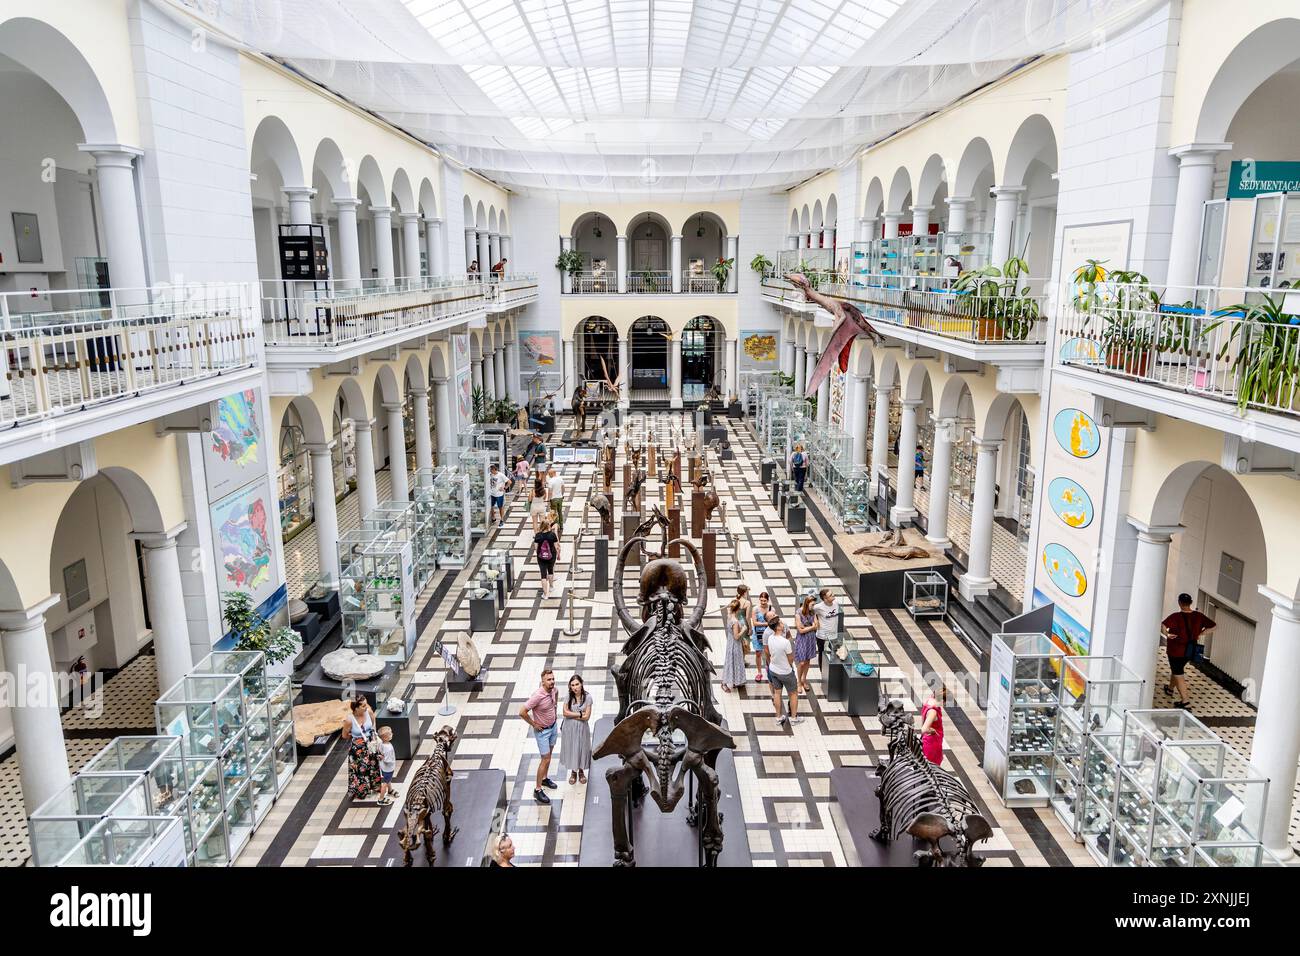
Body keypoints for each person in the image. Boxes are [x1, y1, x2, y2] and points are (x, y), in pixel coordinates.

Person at [1161, 593, 1216, 709]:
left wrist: (1167, 634)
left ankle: (1185, 702)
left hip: (1175, 651)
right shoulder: (1199, 616)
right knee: (1177, 670)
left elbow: (1163, 625)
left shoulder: (1175, 616)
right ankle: (1170, 689)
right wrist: (1201, 633)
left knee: (1178, 674)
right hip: (1190, 650)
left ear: (1179, 603)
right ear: (1191, 603)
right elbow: (1213, 626)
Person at [519, 669, 560, 804]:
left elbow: (555, 702)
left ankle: (545, 779)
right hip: (543, 732)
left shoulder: (554, 690)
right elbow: (522, 711)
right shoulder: (537, 695)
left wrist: (555, 714)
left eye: (553, 679)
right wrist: (534, 724)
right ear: (543, 682)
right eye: (549, 680)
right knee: (545, 759)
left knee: (549, 756)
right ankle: (537, 790)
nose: (552, 681)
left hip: (553, 727)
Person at [341, 696, 382, 800]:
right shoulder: (349, 720)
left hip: (370, 746)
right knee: (359, 770)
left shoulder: (369, 712)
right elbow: (344, 735)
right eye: (363, 705)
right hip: (358, 750)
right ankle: (361, 791)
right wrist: (357, 738)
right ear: (356, 708)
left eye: (366, 704)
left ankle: (375, 786)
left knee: (373, 766)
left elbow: (372, 725)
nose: (366, 707)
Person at [765, 619, 801, 725]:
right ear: (778, 627)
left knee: (777, 693)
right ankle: (794, 718)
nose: (783, 624)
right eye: (781, 623)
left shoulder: (770, 638)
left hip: (773, 669)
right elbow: (790, 659)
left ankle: (779, 716)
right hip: (785, 672)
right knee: (793, 693)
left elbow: (769, 652)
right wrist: (790, 666)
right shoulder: (785, 642)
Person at [561, 674, 592, 785]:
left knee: (581, 748)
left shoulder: (588, 697)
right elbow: (564, 712)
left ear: (581, 684)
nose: (575, 687)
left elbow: (587, 717)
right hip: (569, 729)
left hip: (582, 729)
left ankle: (581, 771)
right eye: (572, 685)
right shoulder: (568, 696)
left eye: (577, 684)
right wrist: (579, 713)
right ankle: (573, 772)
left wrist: (571, 714)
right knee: (573, 748)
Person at [722, 596, 749, 692]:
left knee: (730, 661)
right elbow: (736, 636)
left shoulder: (729, 616)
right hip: (735, 644)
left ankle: (734, 681)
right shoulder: (735, 622)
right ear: (738, 609)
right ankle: (725, 682)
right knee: (735, 662)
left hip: (730, 643)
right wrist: (744, 630)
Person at [793, 594, 819, 694]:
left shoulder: (813, 612)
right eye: (812, 604)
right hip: (802, 640)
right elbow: (800, 630)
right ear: (807, 603)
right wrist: (811, 627)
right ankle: (798, 681)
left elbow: (817, 626)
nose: (813, 606)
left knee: (807, 660)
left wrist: (809, 627)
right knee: (801, 662)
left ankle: (804, 679)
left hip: (811, 639)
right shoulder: (798, 613)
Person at [750, 591, 775, 683]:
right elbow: (754, 622)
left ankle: (770, 670)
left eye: (764, 601)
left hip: (768, 634)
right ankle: (759, 672)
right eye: (761, 600)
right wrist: (766, 623)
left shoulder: (771, 609)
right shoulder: (755, 609)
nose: (763, 602)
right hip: (758, 633)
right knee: (758, 653)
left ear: (768, 600)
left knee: (769, 653)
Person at [534, 516, 560, 600]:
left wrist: (538, 554)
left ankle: (545, 594)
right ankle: (551, 586)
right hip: (551, 555)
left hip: (541, 557)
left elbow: (536, 548)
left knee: (543, 575)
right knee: (550, 570)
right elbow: (556, 546)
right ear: (548, 525)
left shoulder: (538, 536)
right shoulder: (552, 535)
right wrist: (558, 554)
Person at [919, 683, 946, 765]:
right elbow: (924, 729)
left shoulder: (929, 701)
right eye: (944, 702)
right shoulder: (933, 712)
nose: (944, 704)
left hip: (928, 742)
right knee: (932, 768)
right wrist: (932, 730)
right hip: (932, 745)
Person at [812, 587, 840, 663]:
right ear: (825, 599)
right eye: (831, 595)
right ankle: (822, 672)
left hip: (834, 635)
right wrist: (815, 621)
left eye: (832, 593)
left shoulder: (836, 603)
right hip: (822, 636)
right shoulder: (818, 607)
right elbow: (810, 611)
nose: (833, 595)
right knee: (822, 654)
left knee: (834, 653)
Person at [376, 726, 398, 806]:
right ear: (385, 738)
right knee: (385, 782)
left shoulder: (382, 744)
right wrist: (384, 758)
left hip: (384, 767)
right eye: (390, 734)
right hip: (388, 768)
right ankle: (381, 799)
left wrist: (381, 757)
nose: (392, 734)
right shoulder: (388, 748)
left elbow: (381, 753)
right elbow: (388, 760)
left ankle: (390, 790)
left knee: (388, 779)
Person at [489, 462, 510, 526]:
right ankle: (493, 517)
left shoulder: (501, 475)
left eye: (491, 470)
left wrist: (505, 488)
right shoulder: (490, 474)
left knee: (500, 507)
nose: (490, 471)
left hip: (499, 494)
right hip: (492, 494)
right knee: (490, 506)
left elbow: (509, 482)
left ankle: (502, 520)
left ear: (494, 469)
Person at [546, 464, 566, 534]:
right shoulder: (560, 478)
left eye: (549, 474)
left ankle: (556, 526)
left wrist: (548, 500)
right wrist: (562, 494)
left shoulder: (551, 481)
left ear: (552, 473)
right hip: (560, 498)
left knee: (554, 513)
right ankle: (561, 525)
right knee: (560, 512)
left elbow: (550, 492)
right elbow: (563, 488)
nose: (549, 475)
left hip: (553, 499)